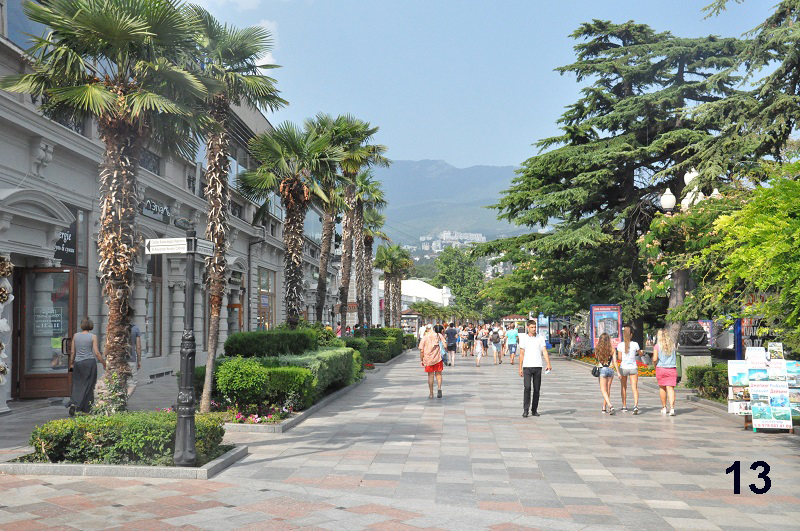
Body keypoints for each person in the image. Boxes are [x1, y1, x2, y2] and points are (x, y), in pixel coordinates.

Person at [67, 317, 106, 415]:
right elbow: (96, 352)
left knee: (77, 384)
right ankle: (86, 408)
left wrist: (71, 363)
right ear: (91, 326)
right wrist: (104, 363)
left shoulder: (75, 336)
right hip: (89, 363)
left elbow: (72, 352)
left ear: (81, 326)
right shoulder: (93, 337)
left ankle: (74, 404)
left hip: (78, 363)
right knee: (89, 385)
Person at [519, 319, 552, 417]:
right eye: (532, 327)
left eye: (535, 327)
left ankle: (534, 410)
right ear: (528, 328)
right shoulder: (524, 338)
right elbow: (521, 354)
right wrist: (520, 368)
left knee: (537, 389)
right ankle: (525, 410)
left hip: (538, 366)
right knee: (527, 387)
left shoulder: (540, 338)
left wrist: (548, 364)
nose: (534, 329)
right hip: (527, 366)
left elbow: (544, 351)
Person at [616, 326, 643, 414]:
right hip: (633, 367)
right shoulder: (635, 344)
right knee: (634, 387)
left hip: (624, 367)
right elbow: (640, 354)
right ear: (631, 335)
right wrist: (641, 352)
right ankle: (635, 405)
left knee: (623, 387)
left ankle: (624, 406)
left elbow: (619, 358)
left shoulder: (620, 345)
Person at [653, 328, 678, 416]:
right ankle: (672, 408)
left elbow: (655, 359)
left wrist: (655, 366)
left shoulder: (657, 346)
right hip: (671, 368)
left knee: (662, 388)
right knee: (670, 388)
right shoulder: (673, 345)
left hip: (661, 368)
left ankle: (664, 407)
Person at [595, 332, 618, 414]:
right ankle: (604, 407)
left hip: (602, 369)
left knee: (603, 389)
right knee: (608, 389)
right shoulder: (612, 349)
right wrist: (618, 372)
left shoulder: (597, 349)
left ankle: (610, 405)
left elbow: (597, 359)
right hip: (611, 369)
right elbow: (615, 361)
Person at [419, 324, 444, 398]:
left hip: (428, 359)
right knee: (438, 374)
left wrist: (421, 359)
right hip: (438, 358)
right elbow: (445, 345)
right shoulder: (438, 335)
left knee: (430, 376)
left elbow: (421, 350)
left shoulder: (425, 337)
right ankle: (439, 388)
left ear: (427, 329)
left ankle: (431, 393)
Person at [128, 310, 142, 397]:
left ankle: (120, 401)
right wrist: (139, 360)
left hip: (118, 360)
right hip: (131, 360)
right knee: (133, 383)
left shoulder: (116, 328)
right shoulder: (135, 329)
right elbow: (138, 347)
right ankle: (124, 399)